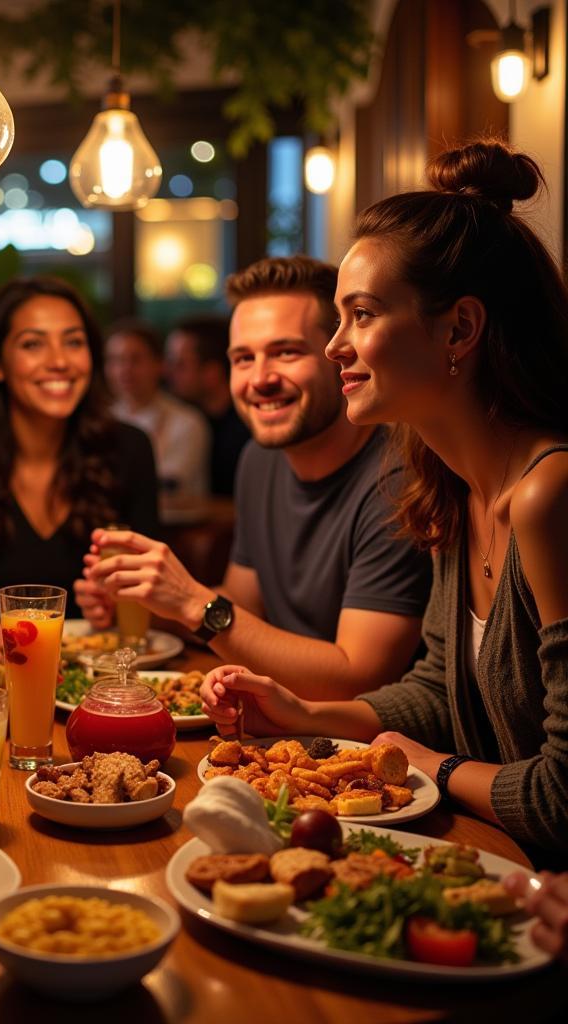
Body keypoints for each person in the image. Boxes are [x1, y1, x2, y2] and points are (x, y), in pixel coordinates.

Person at [201, 140, 568, 861]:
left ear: (459, 328)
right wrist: (308, 713)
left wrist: (436, 767)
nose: (336, 344)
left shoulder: (548, 497)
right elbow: (436, 686)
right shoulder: (454, 487)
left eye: (361, 314)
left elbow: (561, 799)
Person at [80, 256, 431, 698]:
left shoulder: (397, 478)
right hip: (276, 727)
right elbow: (240, 609)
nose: (259, 379)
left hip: (367, 749)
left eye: (286, 352)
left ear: (339, 355)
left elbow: (358, 675)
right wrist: (146, 602)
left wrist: (193, 602)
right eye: (243, 358)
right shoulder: (259, 460)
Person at [0, 277, 159, 619]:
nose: (59, 361)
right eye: (33, 344)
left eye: (74, 342)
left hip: (100, 665)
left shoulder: (129, 449)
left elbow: (151, 591)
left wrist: (118, 603)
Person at [105, 318, 211, 499]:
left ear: (159, 364)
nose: (125, 369)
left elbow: (169, 483)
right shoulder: (102, 419)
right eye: (116, 360)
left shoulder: (187, 422)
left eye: (135, 359)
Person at [164, 313, 250, 497]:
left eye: (180, 364)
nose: (167, 372)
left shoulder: (247, 431)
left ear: (212, 372)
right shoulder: (181, 420)